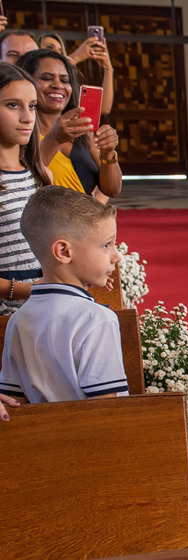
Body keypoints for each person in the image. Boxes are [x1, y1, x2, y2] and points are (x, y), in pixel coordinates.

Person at [0, 185, 125, 403]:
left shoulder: (18, 320)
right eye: (107, 245)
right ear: (64, 252)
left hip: (38, 435)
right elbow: (107, 410)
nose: (117, 256)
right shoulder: (97, 319)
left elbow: (13, 401)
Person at [19, 49, 121, 200]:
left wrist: (108, 153)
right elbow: (21, 184)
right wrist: (54, 139)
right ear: (26, 83)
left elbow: (113, 189)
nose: (58, 85)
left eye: (65, 80)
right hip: (40, 222)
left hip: (85, 221)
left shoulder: (83, 131)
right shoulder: (18, 130)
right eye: (47, 78)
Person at [0, 62, 52, 316]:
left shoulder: (40, 174)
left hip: (44, 308)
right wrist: (27, 290)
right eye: (13, 105)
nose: (27, 117)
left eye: (31, 106)